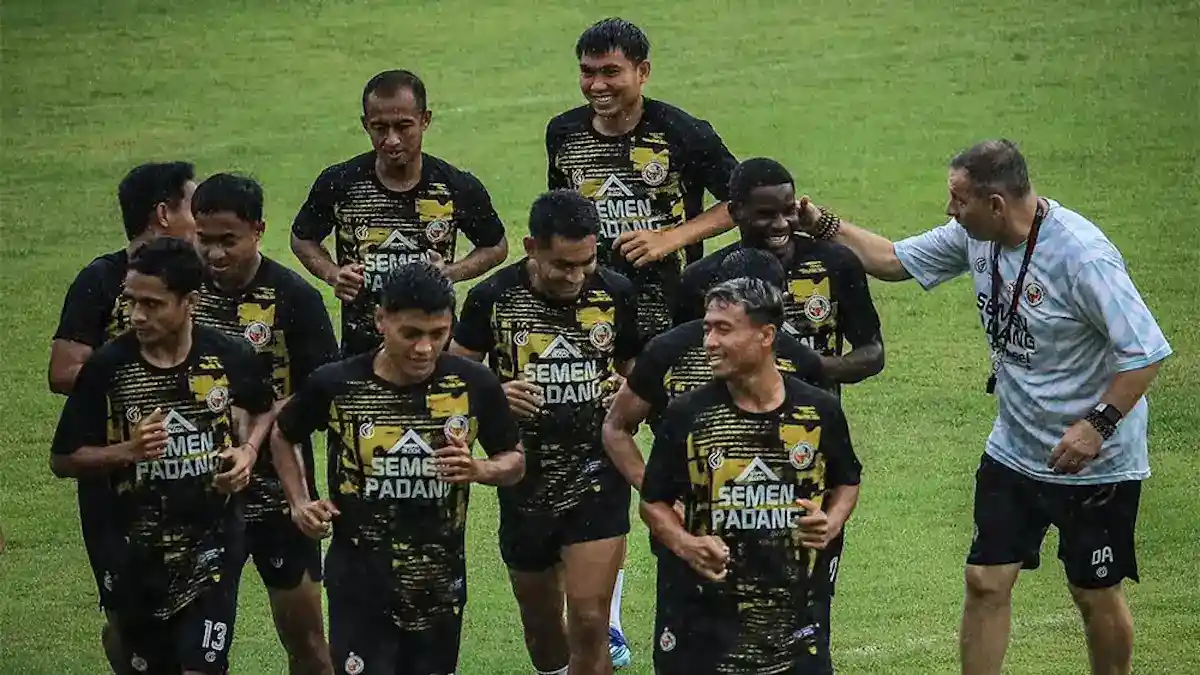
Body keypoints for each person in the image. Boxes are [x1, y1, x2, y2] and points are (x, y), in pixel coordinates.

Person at [793, 139, 1172, 675]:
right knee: (985, 580)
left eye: (958, 199)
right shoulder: (977, 238)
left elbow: (1145, 351)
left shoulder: (1082, 257)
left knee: (1094, 592)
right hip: (1015, 449)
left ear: (995, 204)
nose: (950, 210)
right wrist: (823, 223)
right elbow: (893, 260)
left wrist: (1097, 426)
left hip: (1095, 463)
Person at [546, 20, 739, 661]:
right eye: (588, 71)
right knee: (604, 463)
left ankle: (714, 586)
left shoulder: (682, 133)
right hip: (591, 327)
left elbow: (742, 199)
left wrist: (670, 238)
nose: (597, 85)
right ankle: (612, 618)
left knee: (685, 460)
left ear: (642, 73)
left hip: (674, 328)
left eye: (611, 72)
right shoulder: (564, 133)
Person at [271, 261, 524, 675]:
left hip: (440, 586)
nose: (424, 348)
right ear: (380, 320)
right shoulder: (337, 384)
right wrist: (299, 502)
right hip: (359, 583)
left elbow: (514, 461)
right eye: (411, 333)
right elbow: (284, 434)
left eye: (438, 334)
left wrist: (480, 469)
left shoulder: (474, 384)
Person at [49, 236, 275, 675]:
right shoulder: (108, 368)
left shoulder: (229, 355)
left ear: (188, 301)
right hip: (132, 548)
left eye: (153, 304)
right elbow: (63, 458)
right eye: (132, 302)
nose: (137, 315)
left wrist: (246, 452)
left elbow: (262, 408)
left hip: (211, 543)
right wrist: (129, 451)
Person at [450, 189, 641, 675]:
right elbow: (448, 378)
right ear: (531, 247)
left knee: (590, 617)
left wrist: (627, 386)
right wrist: (493, 392)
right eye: (563, 265)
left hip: (597, 475)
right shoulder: (492, 299)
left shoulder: (616, 293)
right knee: (542, 629)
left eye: (587, 262)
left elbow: (635, 373)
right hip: (524, 483)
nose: (577, 277)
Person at [640, 277, 862, 675]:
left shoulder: (819, 410)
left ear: (765, 336)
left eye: (724, 329)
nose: (709, 341)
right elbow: (653, 502)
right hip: (701, 619)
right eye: (707, 327)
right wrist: (688, 545)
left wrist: (831, 521)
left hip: (795, 618)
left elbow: (847, 480)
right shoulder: (687, 414)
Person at [46, 160, 198, 673]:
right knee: (130, 625)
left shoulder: (194, 282)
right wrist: (138, 379)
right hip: (116, 478)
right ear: (164, 213)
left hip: (188, 471)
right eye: (193, 208)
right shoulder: (101, 279)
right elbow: (64, 370)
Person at [191, 173, 338, 675]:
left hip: (279, 489)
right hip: (197, 492)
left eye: (227, 240)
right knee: (193, 649)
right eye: (203, 239)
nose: (213, 254)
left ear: (258, 230)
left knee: (307, 643)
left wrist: (254, 420)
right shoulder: (179, 291)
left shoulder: (294, 297)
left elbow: (319, 395)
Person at [291, 69, 509, 357]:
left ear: (425, 120)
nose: (392, 140)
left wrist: (451, 273)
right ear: (365, 124)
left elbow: (496, 246)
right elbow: (302, 238)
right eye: (379, 128)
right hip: (361, 353)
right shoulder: (340, 183)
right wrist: (333, 274)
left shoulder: (455, 186)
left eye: (403, 126)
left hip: (434, 353)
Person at [602, 247, 827, 490]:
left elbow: (826, 447)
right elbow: (616, 427)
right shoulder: (669, 350)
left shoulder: (802, 360)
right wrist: (657, 497)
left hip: (773, 509)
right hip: (687, 517)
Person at [676, 158, 884, 389]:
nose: (781, 224)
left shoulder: (836, 263)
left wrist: (818, 367)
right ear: (736, 212)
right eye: (766, 214)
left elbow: (872, 351)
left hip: (811, 421)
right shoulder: (702, 278)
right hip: (732, 421)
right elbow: (683, 364)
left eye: (788, 211)